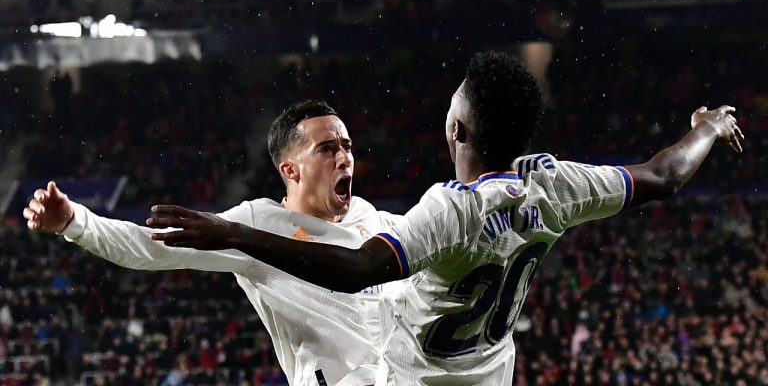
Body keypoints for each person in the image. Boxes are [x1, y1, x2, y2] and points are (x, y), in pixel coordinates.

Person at [148, 50, 745, 385]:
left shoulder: (448, 211)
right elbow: (665, 175)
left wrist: (237, 234)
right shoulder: (557, 185)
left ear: (456, 129)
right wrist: (709, 128)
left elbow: (358, 269)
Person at [23, 100, 402, 385]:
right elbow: (149, 247)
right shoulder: (257, 223)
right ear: (290, 169)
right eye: (327, 148)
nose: (344, 158)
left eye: (347, 146)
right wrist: (75, 222)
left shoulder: (370, 216)